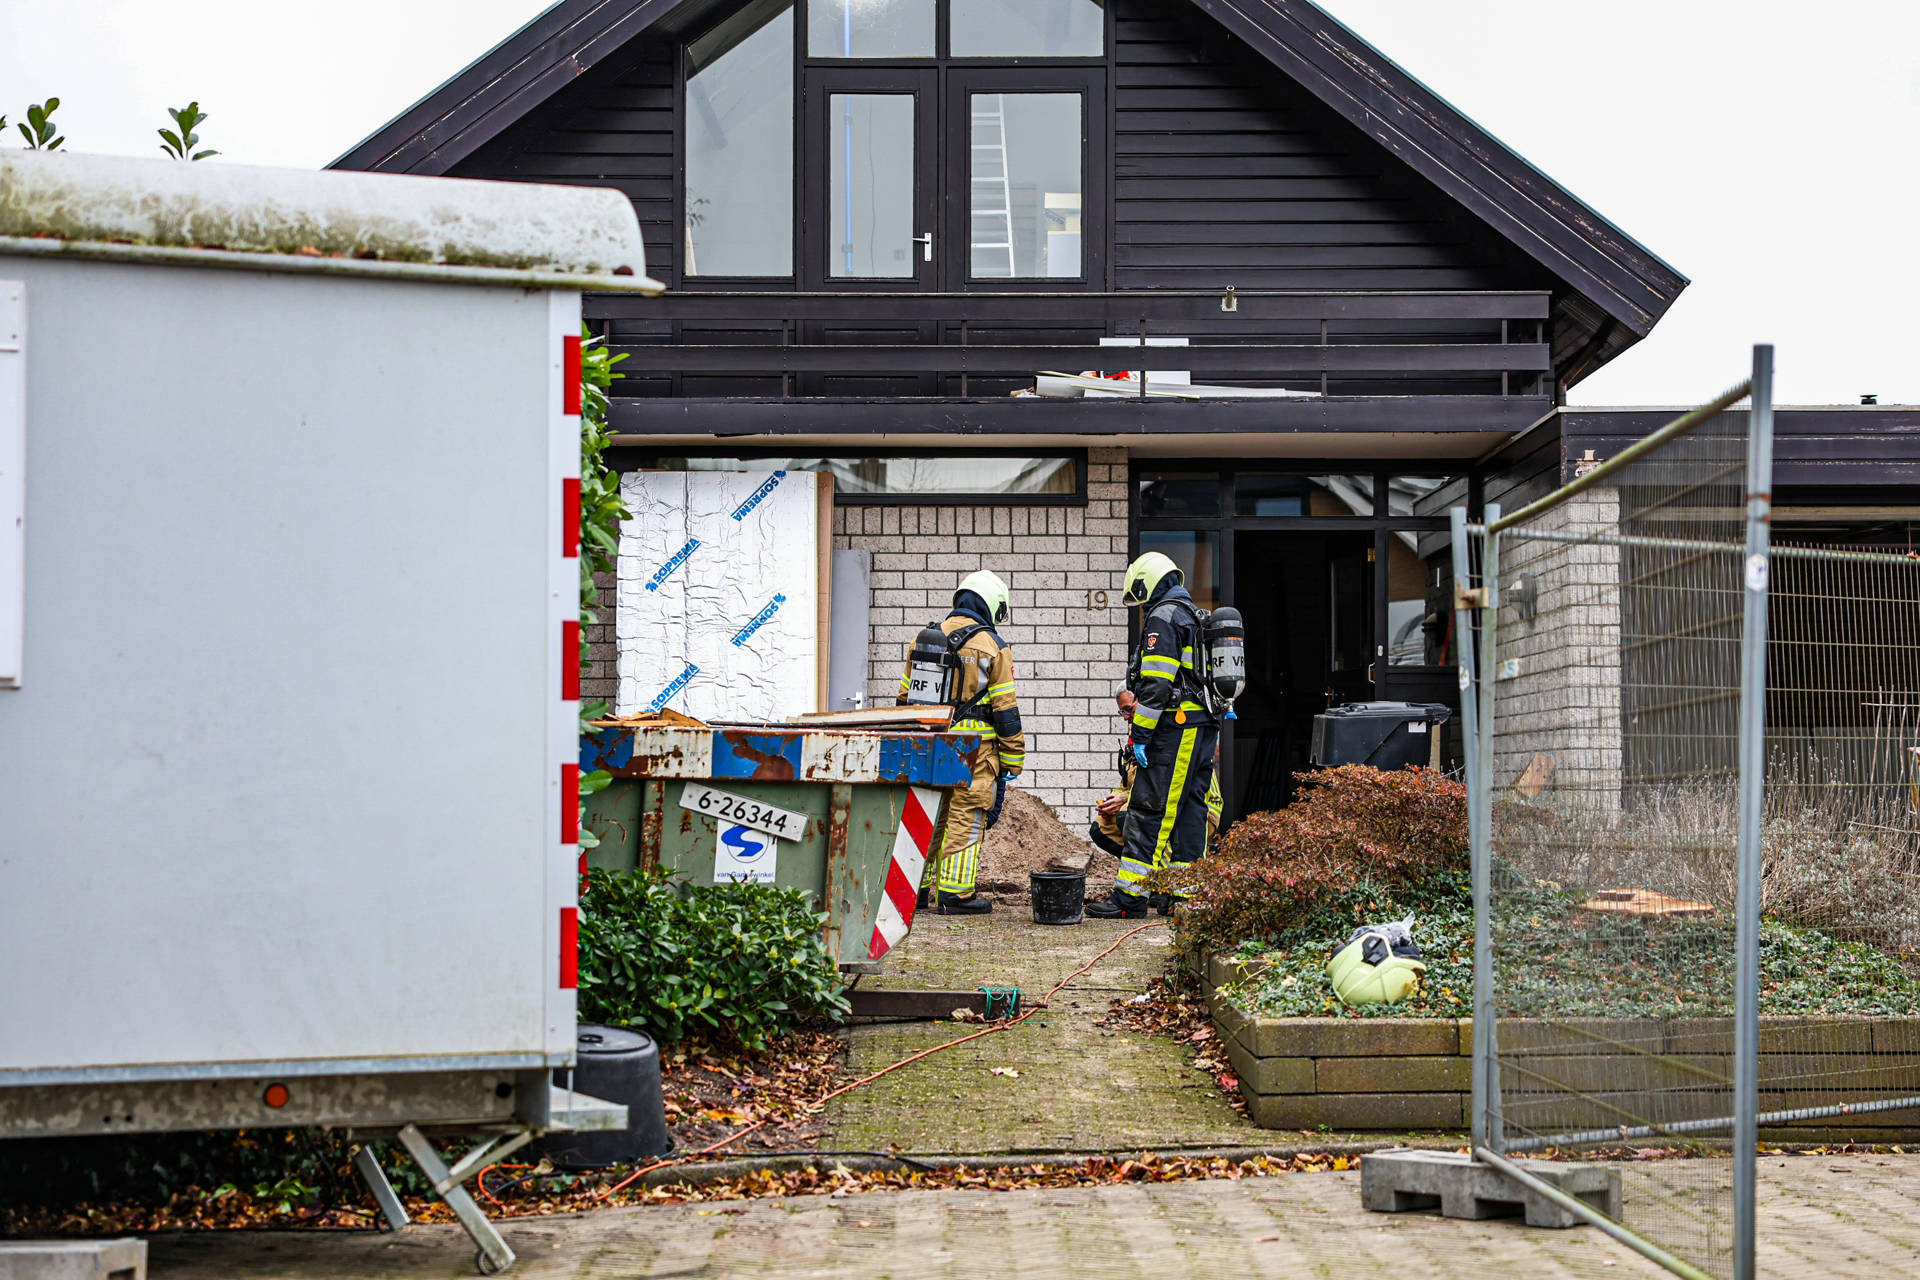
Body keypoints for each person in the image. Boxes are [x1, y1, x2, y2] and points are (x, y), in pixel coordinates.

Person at [1087, 551, 1219, 919]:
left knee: (1150, 809)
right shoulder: (1194, 615)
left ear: (1147, 583)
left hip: (1174, 729)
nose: (1142, 606)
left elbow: (1156, 686)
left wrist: (1141, 734)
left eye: (1140, 597)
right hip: (1202, 727)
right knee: (1192, 808)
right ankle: (1185, 896)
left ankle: (1130, 899)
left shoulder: (1165, 616)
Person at [899, 570, 1024, 915]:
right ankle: (956, 895)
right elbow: (1005, 711)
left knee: (926, 818)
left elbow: (903, 700)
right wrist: (1013, 760)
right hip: (975, 752)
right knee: (965, 818)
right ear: (992, 606)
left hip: (929, 746)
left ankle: (914, 891)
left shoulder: (923, 639)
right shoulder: (993, 647)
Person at [1089, 687, 1222, 913]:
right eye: (1123, 713)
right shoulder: (1144, 741)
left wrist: (1127, 799)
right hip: (1173, 801)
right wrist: (1117, 798)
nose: (1127, 717)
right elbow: (1134, 782)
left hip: (1201, 813)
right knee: (1106, 826)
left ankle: (1140, 893)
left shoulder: (1171, 738)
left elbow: (1167, 790)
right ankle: (1176, 893)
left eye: (1129, 709)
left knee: (1147, 817)